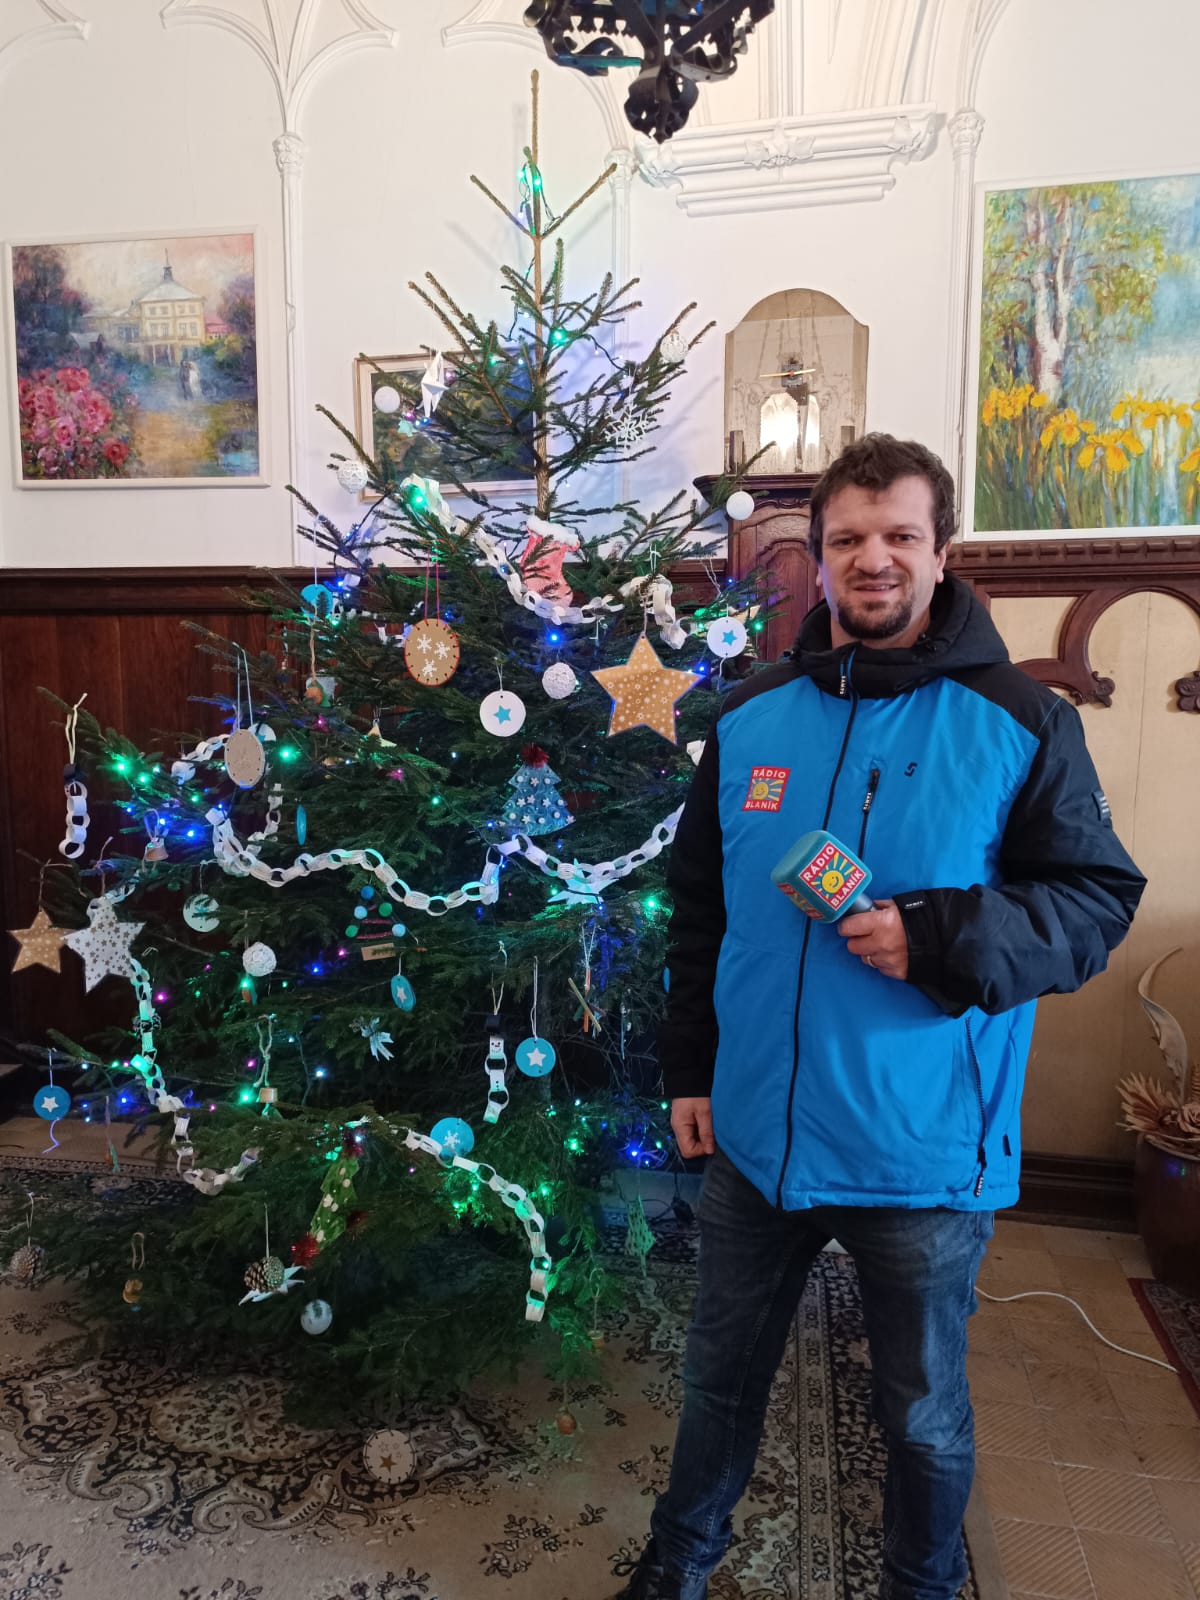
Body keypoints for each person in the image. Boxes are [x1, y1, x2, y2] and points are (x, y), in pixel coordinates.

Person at [612, 434, 1145, 1600]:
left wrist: (936, 935)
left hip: (920, 1153)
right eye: (848, 538)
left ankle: (922, 1586)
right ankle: (677, 1563)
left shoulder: (1021, 719)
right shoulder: (750, 718)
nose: (874, 558)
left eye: (901, 534)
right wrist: (690, 1070)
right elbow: (701, 912)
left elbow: (1095, 902)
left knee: (922, 1415)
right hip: (755, 1134)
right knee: (716, 1383)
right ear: (817, 558)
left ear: (943, 552)